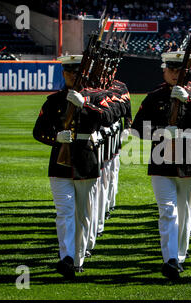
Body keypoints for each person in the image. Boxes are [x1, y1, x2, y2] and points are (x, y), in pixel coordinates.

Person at [131, 51, 191, 280]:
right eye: (170, 69)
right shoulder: (155, 96)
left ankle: (180, 253)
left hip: (189, 159)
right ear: (164, 71)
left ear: (186, 71)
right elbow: (137, 129)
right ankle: (170, 258)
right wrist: (160, 131)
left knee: (185, 210)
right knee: (168, 211)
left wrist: (190, 98)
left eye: (178, 70)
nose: (173, 74)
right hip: (161, 160)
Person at [33, 55, 123, 278]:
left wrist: (85, 105)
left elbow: (110, 116)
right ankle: (66, 257)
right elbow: (38, 131)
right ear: (63, 74)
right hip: (60, 163)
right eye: (69, 72)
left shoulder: (97, 97)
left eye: (77, 72)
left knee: (83, 214)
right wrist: (56, 138)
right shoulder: (53, 100)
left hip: (86, 160)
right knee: (64, 213)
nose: (73, 75)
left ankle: (79, 256)